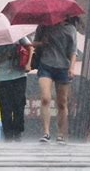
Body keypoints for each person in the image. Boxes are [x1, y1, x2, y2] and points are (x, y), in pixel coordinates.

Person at [33, 16, 78, 145]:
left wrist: (71, 68)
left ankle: (60, 133)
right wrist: (42, 43)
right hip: (45, 65)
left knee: (62, 103)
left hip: (63, 68)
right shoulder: (43, 26)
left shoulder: (70, 29)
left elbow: (73, 51)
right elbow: (34, 43)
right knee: (45, 98)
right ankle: (46, 133)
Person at [0, 37, 33, 142]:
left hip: (19, 75)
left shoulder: (19, 36)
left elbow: (30, 47)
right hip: (2, 78)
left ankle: (18, 133)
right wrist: (5, 56)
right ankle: (8, 134)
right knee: (5, 107)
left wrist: (28, 64)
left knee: (19, 105)